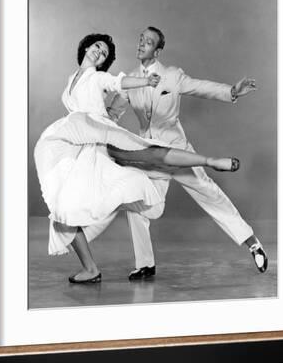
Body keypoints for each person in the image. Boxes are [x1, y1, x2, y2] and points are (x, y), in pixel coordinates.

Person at [34, 33, 240, 284]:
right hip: (78, 142)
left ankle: (210, 162)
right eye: (97, 47)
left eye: (105, 53)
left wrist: (144, 82)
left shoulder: (98, 77)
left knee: (148, 151)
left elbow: (118, 83)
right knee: (61, 212)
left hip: (99, 138)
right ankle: (90, 269)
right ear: (87, 47)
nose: (100, 52)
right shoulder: (70, 80)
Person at [107, 27, 268, 281]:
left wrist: (232, 92)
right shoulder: (130, 80)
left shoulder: (172, 76)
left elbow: (201, 87)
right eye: (141, 40)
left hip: (179, 153)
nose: (141, 44)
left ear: (157, 50)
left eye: (148, 42)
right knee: (137, 203)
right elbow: (113, 114)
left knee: (212, 195)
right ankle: (145, 264)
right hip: (150, 157)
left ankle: (253, 244)